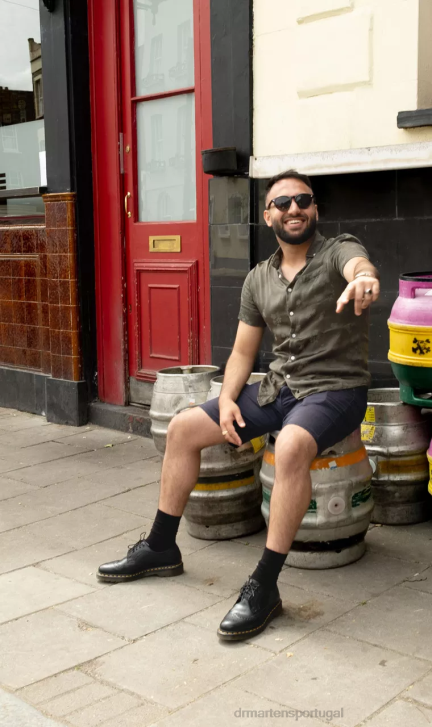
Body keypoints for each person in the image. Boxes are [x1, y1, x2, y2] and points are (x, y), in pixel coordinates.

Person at [97, 169, 380, 641]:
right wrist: (227, 398)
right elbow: (244, 353)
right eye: (283, 203)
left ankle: (264, 586)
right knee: (184, 429)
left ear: (315, 208)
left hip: (335, 390)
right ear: (268, 216)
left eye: (303, 200)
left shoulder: (337, 252)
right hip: (279, 389)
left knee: (290, 446)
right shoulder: (258, 279)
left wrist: (364, 279)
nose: (294, 209)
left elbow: (359, 265)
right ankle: (161, 547)